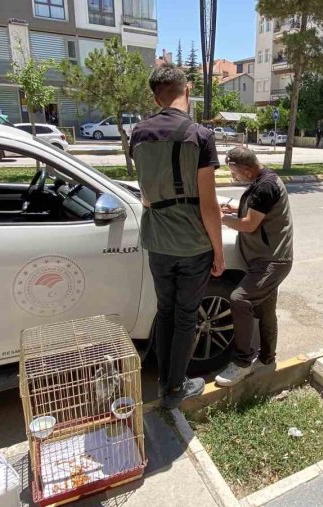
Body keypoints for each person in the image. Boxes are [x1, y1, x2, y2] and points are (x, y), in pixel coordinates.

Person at [129, 63, 225, 410]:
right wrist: (218, 250)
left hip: (157, 241)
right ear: (186, 92)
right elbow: (209, 204)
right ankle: (174, 387)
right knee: (186, 317)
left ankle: (164, 382)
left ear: (156, 97)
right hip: (192, 244)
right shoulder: (200, 135)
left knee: (166, 312)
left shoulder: (138, 133)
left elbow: (146, 191)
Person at [214, 147, 294, 386]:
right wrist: (234, 210)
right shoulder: (262, 180)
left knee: (239, 299)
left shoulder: (265, 186)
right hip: (268, 259)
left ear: (247, 169)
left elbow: (249, 225)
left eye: (235, 172)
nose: (234, 177)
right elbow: (258, 211)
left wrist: (219, 217)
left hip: (272, 261)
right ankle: (267, 359)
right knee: (266, 311)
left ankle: (242, 362)